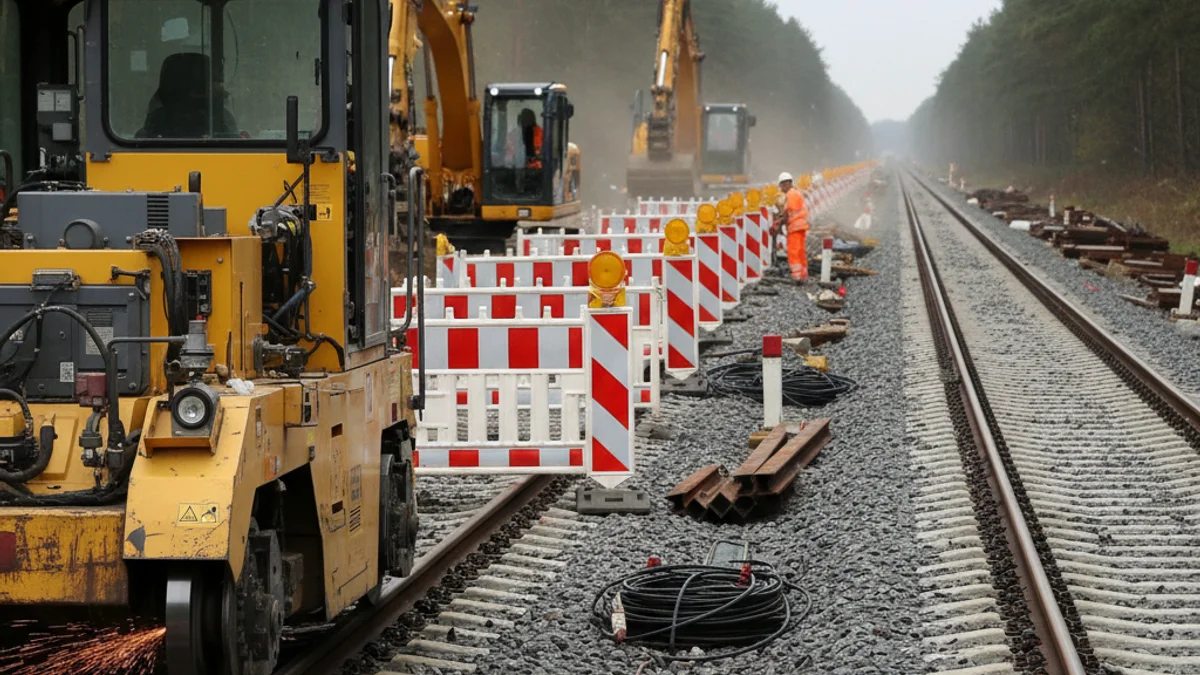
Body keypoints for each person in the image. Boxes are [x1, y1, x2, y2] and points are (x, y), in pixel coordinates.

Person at [778, 172, 809, 281]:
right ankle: (803, 274)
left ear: (784, 184)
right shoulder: (797, 193)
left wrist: (780, 222)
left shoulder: (790, 195)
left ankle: (796, 275)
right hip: (801, 226)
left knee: (794, 252)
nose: (781, 188)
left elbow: (788, 212)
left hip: (794, 227)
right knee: (801, 251)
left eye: (781, 185)